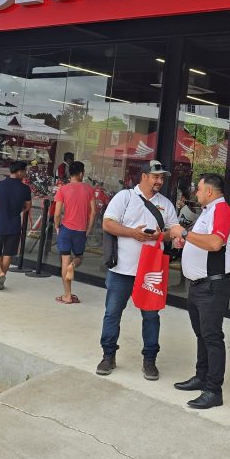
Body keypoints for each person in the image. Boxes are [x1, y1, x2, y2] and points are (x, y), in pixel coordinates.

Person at [97, 158, 179, 380]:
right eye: (155, 176)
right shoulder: (125, 197)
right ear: (144, 176)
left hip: (150, 272)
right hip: (121, 269)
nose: (159, 181)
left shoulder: (166, 204)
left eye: (161, 178)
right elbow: (107, 223)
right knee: (112, 313)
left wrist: (161, 235)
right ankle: (108, 355)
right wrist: (133, 233)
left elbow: (173, 231)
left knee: (151, 316)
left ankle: (150, 360)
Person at [167, 172, 230, 409]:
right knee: (202, 335)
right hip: (199, 285)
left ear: (209, 191)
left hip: (212, 286)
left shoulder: (222, 211)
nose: (195, 193)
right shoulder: (208, 212)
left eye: (198, 189)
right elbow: (203, 241)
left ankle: (213, 390)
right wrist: (185, 241)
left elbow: (215, 243)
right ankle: (202, 376)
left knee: (212, 337)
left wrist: (184, 233)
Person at [52, 160, 97, 305]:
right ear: (81, 173)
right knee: (78, 257)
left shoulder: (63, 189)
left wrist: (57, 226)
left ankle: (67, 295)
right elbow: (93, 212)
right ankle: (73, 265)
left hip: (65, 229)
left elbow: (57, 213)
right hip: (80, 230)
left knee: (65, 260)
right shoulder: (89, 189)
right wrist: (88, 229)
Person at [0, 161, 32, 291]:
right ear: (19, 172)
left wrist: (1, 210)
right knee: (8, 253)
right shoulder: (25, 189)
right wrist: (18, 210)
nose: (25, 173)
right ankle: (2, 276)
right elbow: (28, 206)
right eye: (24, 171)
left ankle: (0, 274)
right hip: (14, 225)